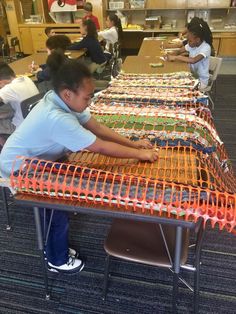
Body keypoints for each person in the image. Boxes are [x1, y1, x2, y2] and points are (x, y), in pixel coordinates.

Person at [0, 57, 158, 273]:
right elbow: (100, 147)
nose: (89, 102)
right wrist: (140, 154)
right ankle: (56, 259)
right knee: (55, 208)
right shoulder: (57, 117)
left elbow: (98, 128)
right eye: (87, 97)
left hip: (38, 158)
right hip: (18, 167)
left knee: (58, 202)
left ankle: (52, 248)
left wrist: (134, 144)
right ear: (68, 94)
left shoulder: (61, 99)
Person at [0, 62, 39, 146]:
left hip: (21, 128)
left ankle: (6, 146)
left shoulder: (8, 89)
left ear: (1, 82)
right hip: (35, 122)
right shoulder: (26, 78)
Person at [166, 20, 212, 91]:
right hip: (191, 75)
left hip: (200, 81)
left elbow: (193, 60)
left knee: (177, 86)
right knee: (172, 79)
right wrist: (169, 54)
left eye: (190, 41)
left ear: (197, 40)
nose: (188, 43)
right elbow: (179, 51)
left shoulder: (206, 47)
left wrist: (176, 57)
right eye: (187, 40)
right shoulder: (192, 44)